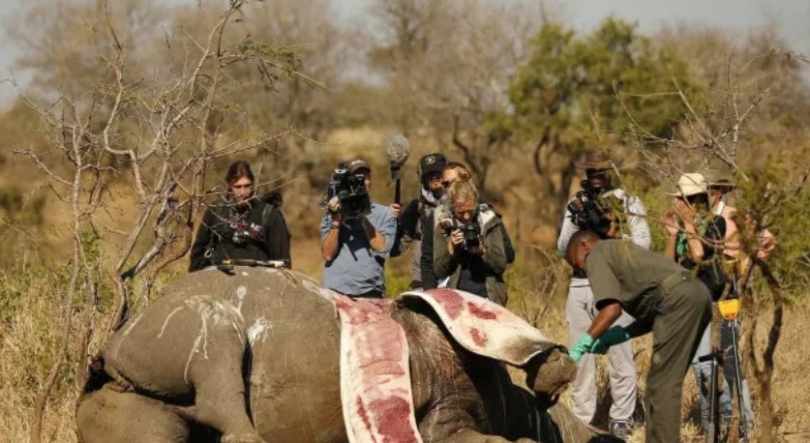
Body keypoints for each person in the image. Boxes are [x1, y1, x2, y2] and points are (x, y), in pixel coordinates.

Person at [565, 230, 712, 443]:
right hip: (696, 294)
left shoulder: (596, 253)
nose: (580, 269)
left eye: (575, 263)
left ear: (584, 245)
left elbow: (611, 309)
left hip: (678, 300)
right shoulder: (622, 251)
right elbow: (655, 299)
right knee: (662, 383)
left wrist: (582, 344)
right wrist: (624, 333)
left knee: (662, 386)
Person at [556, 149, 647, 437]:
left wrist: (613, 236)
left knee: (621, 355)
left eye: (601, 172)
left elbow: (643, 244)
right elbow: (561, 247)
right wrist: (580, 234)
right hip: (580, 285)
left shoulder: (627, 200)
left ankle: (622, 418)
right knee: (581, 358)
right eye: (591, 172)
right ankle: (583, 418)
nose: (596, 178)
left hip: (614, 285)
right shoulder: (577, 203)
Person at [662, 172, 731, 433]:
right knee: (697, 364)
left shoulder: (716, 223)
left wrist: (689, 225)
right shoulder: (684, 228)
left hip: (708, 299)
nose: (681, 204)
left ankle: (720, 422)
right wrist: (671, 235)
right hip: (686, 301)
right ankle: (710, 425)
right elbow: (668, 265)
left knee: (705, 364)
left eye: (686, 199)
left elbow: (700, 255)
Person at [707, 173, 776, 429]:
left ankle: (740, 418)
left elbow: (767, 241)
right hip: (705, 293)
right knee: (709, 358)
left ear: (718, 192)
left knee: (730, 355)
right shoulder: (695, 219)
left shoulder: (736, 215)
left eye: (710, 190)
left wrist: (747, 266)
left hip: (730, 292)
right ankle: (718, 420)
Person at [420, 162, 515, 290]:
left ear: (467, 181)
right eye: (445, 184)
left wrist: (481, 248)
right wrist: (451, 250)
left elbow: (508, 254)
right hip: (450, 291)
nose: (448, 188)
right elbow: (428, 262)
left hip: (486, 288)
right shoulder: (438, 217)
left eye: (454, 182)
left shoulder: (486, 216)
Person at [189, 160, 291, 272]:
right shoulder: (215, 210)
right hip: (219, 280)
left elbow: (283, 262)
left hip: (259, 281)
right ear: (229, 186)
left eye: (247, 186)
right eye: (238, 187)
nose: (243, 192)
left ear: (253, 185)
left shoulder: (269, 214)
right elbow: (197, 256)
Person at [320, 158, 397, 298]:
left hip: (370, 291)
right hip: (335, 290)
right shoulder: (333, 212)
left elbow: (382, 248)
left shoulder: (385, 214)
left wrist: (361, 214)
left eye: (365, 178)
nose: (361, 183)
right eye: (355, 179)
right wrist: (336, 222)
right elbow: (327, 254)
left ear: (370, 181)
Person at [433, 180, 509, 305]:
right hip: (456, 299)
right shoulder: (444, 227)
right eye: (461, 212)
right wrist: (451, 248)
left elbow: (500, 265)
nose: (467, 217)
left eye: (470, 210)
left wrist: (482, 251)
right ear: (452, 207)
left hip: (489, 297)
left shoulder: (489, 222)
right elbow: (439, 271)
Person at [390, 152, 448, 290]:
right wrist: (391, 222)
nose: (434, 177)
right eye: (429, 174)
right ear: (423, 178)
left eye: (438, 172)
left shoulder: (460, 202)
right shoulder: (417, 206)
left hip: (453, 274)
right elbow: (396, 247)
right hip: (422, 274)